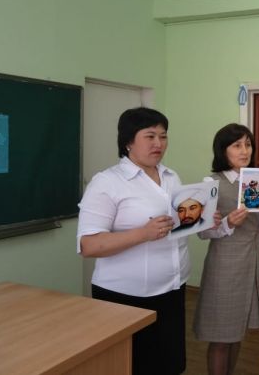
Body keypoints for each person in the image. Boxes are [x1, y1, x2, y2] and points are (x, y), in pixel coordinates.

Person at [77, 107, 191, 375]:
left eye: (163, 136)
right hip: (126, 297)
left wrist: (202, 218)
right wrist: (142, 233)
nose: (158, 144)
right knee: (133, 366)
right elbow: (88, 245)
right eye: (150, 136)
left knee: (170, 365)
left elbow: (176, 223)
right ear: (128, 141)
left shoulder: (171, 176)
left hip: (173, 288)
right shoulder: (107, 182)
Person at [193, 123, 259, 375]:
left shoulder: (258, 181)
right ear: (222, 150)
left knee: (236, 334)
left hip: (251, 261)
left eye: (248, 144)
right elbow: (203, 233)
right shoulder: (211, 183)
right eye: (237, 145)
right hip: (224, 266)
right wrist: (228, 223)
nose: (244, 151)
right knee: (220, 337)